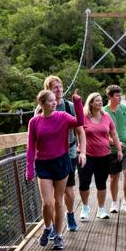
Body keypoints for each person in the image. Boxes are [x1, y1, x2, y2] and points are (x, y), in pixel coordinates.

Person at [26, 88, 84, 250]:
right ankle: (47, 228)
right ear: (42, 104)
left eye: (55, 100)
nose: (55, 102)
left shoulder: (63, 117)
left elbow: (80, 122)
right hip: (43, 164)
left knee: (58, 201)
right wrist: (29, 169)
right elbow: (31, 147)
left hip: (61, 162)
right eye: (51, 100)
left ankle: (58, 236)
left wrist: (78, 102)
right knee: (47, 203)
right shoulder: (34, 122)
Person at [39, 76, 86, 232]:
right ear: (48, 90)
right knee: (50, 198)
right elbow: (35, 131)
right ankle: (52, 227)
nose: (59, 90)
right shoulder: (40, 109)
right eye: (55, 88)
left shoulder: (68, 106)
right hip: (48, 157)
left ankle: (70, 214)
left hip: (69, 153)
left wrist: (83, 151)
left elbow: (80, 129)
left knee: (68, 192)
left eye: (60, 87)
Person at [78, 92, 123, 220]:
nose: (100, 102)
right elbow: (77, 131)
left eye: (100, 100)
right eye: (97, 100)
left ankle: (101, 209)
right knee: (84, 183)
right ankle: (85, 207)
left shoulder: (106, 116)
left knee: (101, 183)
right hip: (86, 155)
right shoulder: (84, 117)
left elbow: (114, 134)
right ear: (91, 103)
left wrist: (119, 150)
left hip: (104, 155)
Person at [104, 85, 126, 214]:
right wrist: (116, 143)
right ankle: (114, 203)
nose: (120, 98)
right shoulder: (104, 112)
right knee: (114, 177)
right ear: (110, 97)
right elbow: (103, 133)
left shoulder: (125, 109)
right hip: (111, 150)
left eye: (120, 95)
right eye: (117, 96)